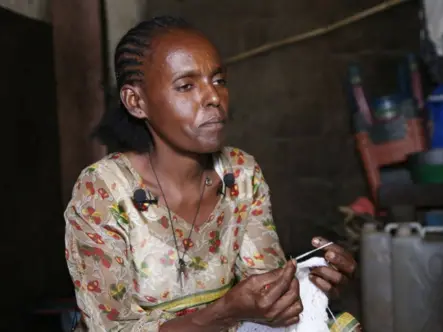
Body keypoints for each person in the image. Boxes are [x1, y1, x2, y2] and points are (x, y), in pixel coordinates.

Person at [64, 16, 357, 332]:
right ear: (137, 102)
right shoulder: (104, 190)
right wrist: (223, 312)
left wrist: (309, 286)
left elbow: (262, 293)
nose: (214, 98)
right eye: (186, 85)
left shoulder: (241, 175)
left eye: (219, 81)